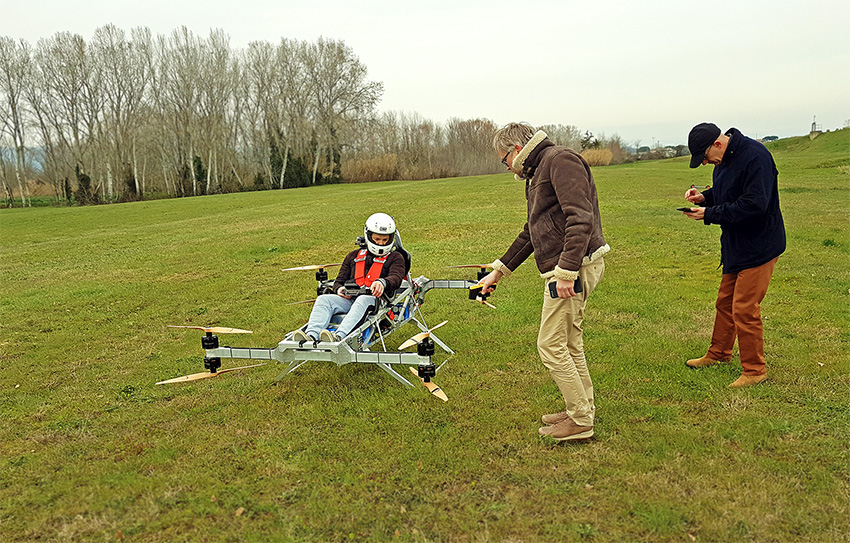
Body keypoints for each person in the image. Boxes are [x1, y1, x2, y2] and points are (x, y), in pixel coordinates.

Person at [479, 122, 610, 442]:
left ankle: (580, 421)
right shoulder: (540, 169)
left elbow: (581, 217)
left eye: (503, 159)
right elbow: (533, 230)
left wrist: (566, 271)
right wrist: (500, 269)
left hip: (573, 269)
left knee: (551, 345)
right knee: (568, 343)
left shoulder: (559, 161)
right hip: (569, 268)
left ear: (515, 149)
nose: (506, 166)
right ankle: (580, 409)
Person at [681, 122, 786, 388]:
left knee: (744, 308)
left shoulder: (755, 156)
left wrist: (710, 214)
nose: (705, 163)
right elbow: (728, 191)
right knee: (725, 303)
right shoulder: (724, 160)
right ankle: (718, 354)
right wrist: (704, 198)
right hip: (736, 244)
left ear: (717, 144)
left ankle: (755, 370)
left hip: (760, 244)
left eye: (704, 157)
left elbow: (754, 204)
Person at [292, 213, 406, 344]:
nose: (381, 243)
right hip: (350, 299)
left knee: (363, 300)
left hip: (374, 300)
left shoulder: (396, 257)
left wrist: (382, 282)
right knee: (323, 299)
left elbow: (396, 277)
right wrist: (339, 289)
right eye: (377, 239)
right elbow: (339, 281)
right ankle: (311, 335)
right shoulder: (353, 256)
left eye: (385, 240)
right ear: (369, 236)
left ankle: (339, 336)